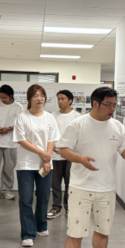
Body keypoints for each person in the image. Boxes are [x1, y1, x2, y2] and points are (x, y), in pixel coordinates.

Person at [58, 87, 125, 248]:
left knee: (102, 232)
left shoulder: (117, 126)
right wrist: (80, 159)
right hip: (81, 188)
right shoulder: (78, 124)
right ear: (95, 103)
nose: (112, 109)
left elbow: (124, 148)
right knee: (75, 235)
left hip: (106, 188)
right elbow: (63, 149)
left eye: (114, 105)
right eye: (108, 105)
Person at [12, 84, 60, 247]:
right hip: (26, 164)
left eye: (42, 95)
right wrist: (41, 153)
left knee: (44, 197)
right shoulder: (22, 117)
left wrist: (46, 158)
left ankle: (41, 225)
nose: (39, 98)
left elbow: (52, 139)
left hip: (45, 164)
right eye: (36, 95)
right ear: (29, 98)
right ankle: (27, 234)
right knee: (26, 199)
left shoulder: (49, 117)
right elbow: (21, 139)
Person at [0, 84, 24, 202]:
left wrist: (9, 128)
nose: (2, 99)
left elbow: (21, 124)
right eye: (0, 97)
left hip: (11, 143)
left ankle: (5, 191)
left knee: (9, 169)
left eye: (4, 97)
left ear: (11, 96)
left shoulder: (19, 107)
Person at [48, 90, 81, 220]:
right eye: (59, 99)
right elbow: (48, 133)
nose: (60, 101)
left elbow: (80, 136)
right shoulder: (52, 116)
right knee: (55, 183)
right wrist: (51, 147)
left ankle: (69, 208)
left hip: (71, 155)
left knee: (70, 183)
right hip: (55, 154)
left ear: (70, 101)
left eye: (63, 99)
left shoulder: (77, 116)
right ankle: (56, 207)